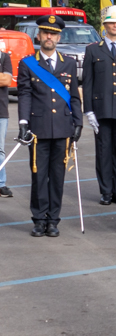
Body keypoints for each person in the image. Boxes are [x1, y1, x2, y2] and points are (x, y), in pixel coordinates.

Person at [16, 15, 82, 237]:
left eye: (53, 34)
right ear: (39, 35)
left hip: (63, 129)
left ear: (59, 37)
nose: (49, 37)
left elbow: (74, 96)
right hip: (38, 129)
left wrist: (78, 122)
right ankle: (38, 219)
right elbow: (24, 95)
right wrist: (23, 123)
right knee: (38, 175)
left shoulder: (69, 63)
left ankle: (53, 220)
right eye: (45, 33)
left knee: (57, 176)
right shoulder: (27, 63)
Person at [81, 5, 116, 206]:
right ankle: (106, 192)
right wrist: (88, 110)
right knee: (103, 152)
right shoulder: (93, 49)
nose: (114, 26)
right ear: (105, 25)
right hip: (101, 109)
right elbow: (88, 82)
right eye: (110, 22)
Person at [0, 46, 11, 198]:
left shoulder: (4, 57)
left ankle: (1, 184)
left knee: (0, 150)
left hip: (0, 111)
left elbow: (6, 80)